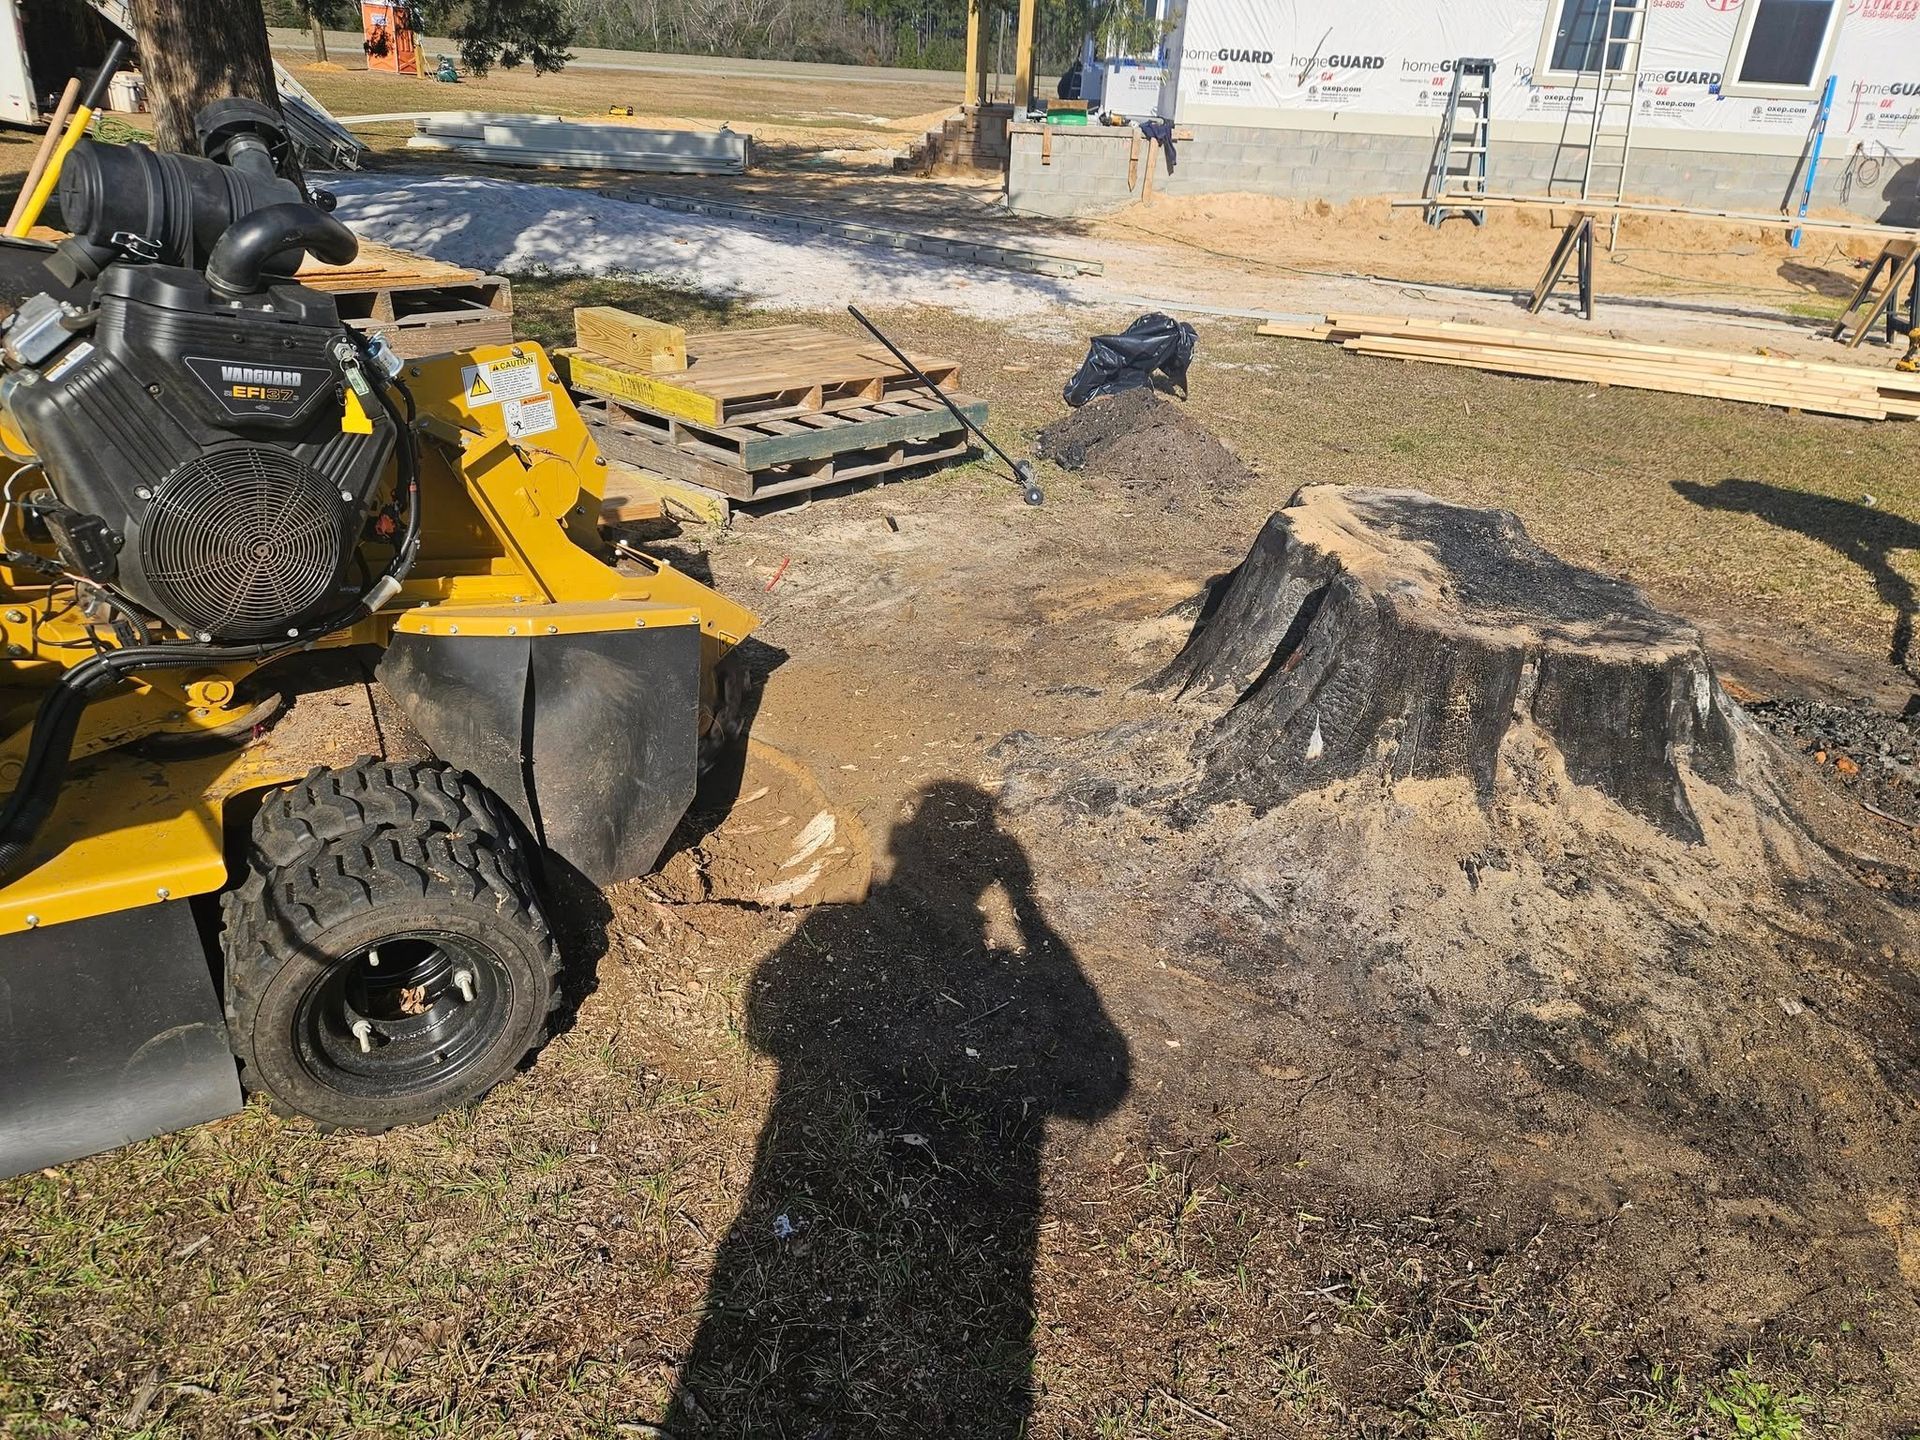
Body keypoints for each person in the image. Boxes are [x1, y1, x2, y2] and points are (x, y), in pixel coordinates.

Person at [668, 781, 1130, 1436]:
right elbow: (1101, 1091)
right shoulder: (843, 929)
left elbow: (763, 1024)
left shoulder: (830, 929)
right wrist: (1026, 908)